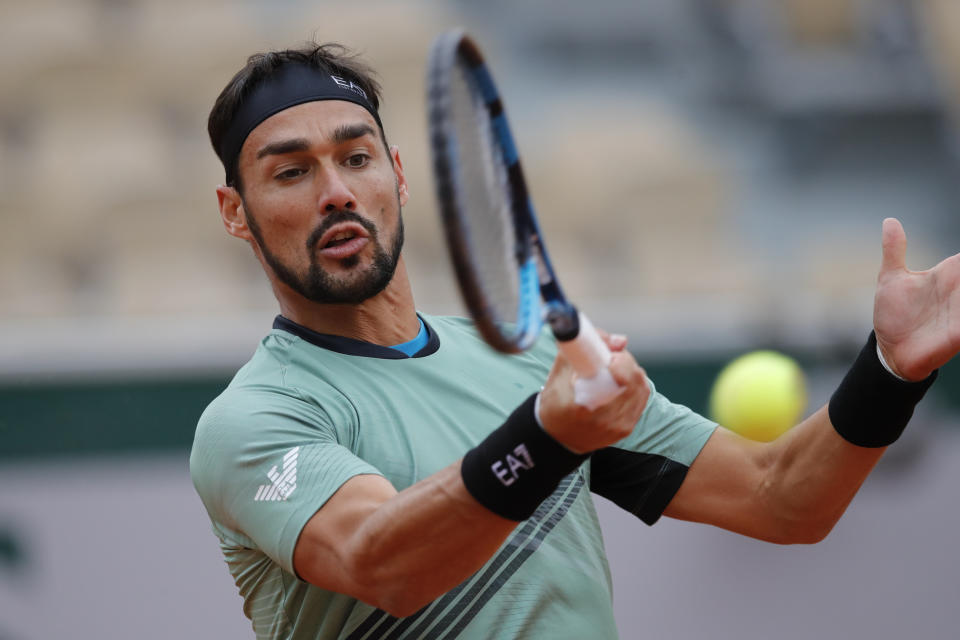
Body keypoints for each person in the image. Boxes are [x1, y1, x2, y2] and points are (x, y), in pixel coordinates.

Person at [190, 42, 959, 640]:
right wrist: (548, 436)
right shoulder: (254, 420)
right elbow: (381, 561)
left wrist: (890, 369)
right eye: (291, 173)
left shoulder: (528, 362)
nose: (336, 192)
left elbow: (781, 499)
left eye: (356, 159)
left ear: (396, 172)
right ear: (234, 211)